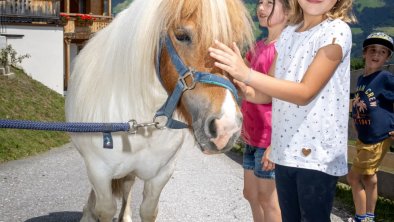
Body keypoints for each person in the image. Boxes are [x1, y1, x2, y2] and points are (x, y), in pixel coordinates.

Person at [208, 0, 356, 221]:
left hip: (317, 153)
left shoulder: (336, 30)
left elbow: (305, 92)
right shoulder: (289, 35)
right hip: (285, 150)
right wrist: (241, 84)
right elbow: (267, 92)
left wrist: (246, 73)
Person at [240, 0, 289, 222]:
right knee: (250, 194)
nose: (260, 8)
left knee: (268, 201)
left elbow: (270, 94)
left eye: (270, 3)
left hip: (269, 137)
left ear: (288, 11)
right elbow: (240, 73)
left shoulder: (284, 48)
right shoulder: (259, 45)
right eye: (260, 2)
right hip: (252, 135)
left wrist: (275, 143)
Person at [346, 32, 394, 222]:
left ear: (387, 58)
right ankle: (369, 217)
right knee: (368, 178)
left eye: (382, 52)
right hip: (364, 136)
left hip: (376, 138)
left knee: (353, 178)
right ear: (364, 53)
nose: (376, 54)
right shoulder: (362, 80)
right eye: (372, 50)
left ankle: (361, 218)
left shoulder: (385, 78)